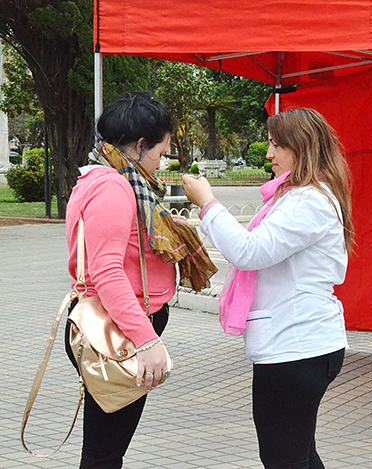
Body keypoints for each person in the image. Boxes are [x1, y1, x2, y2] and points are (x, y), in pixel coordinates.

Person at [182, 108, 353, 469]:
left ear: (302, 148)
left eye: (277, 145)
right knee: (297, 454)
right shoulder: (298, 196)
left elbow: (249, 251)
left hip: (297, 347)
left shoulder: (309, 200)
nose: (268, 155)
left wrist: (208, 203)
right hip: (296, 344)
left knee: (283, 457)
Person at [64, 92, 215, 467]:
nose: (160, 163)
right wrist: (145, 341)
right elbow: (107, 271)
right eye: (160, 153)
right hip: (119, 330)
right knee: (104, 453)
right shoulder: (115, 187)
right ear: (141, 145)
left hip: (116, 325)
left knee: (103, 448)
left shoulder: (107, 177)